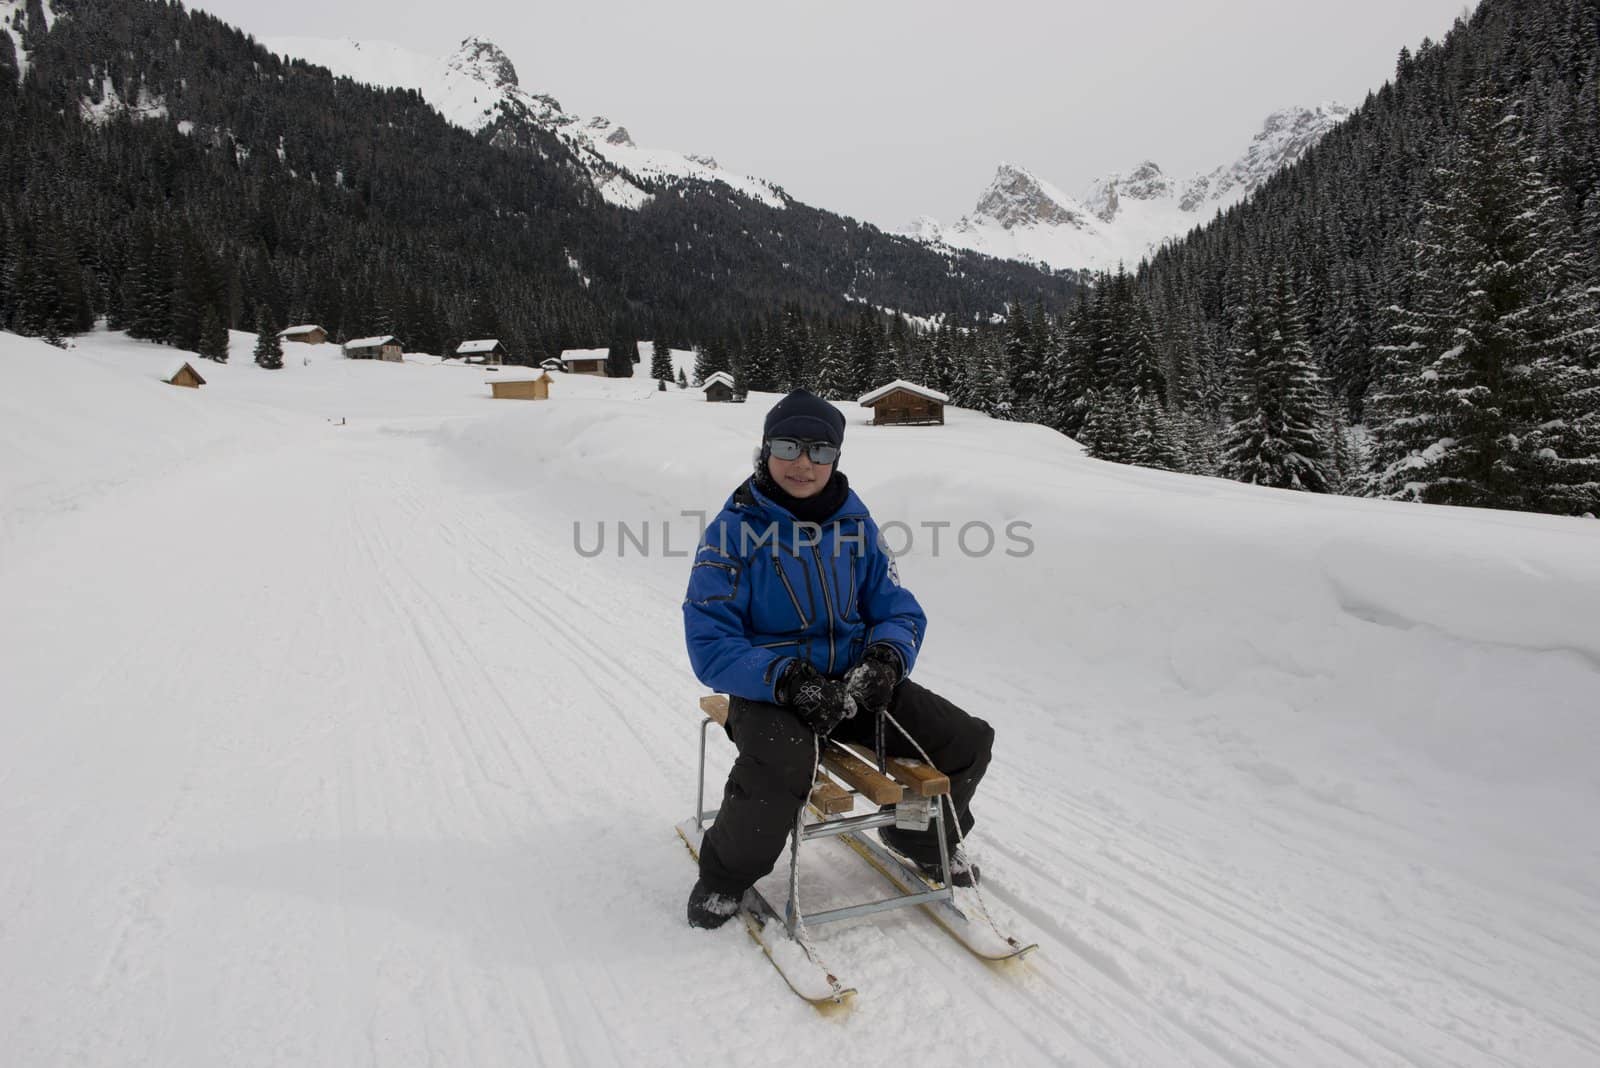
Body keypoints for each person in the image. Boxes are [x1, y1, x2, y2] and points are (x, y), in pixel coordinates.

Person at [681, 388, 995, 929]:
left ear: (836, 458)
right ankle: (724, 876)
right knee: (782, 765)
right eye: (789, 446)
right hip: (773, 691)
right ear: (764, 451)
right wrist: (785, 679)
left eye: (820, 451)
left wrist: (886, 660)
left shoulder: (857, 526)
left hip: (852, 686)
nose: (804, 463)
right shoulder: (732, 533)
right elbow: (710, 640)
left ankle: (915, 836)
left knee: (966, 740)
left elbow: (896, 607)